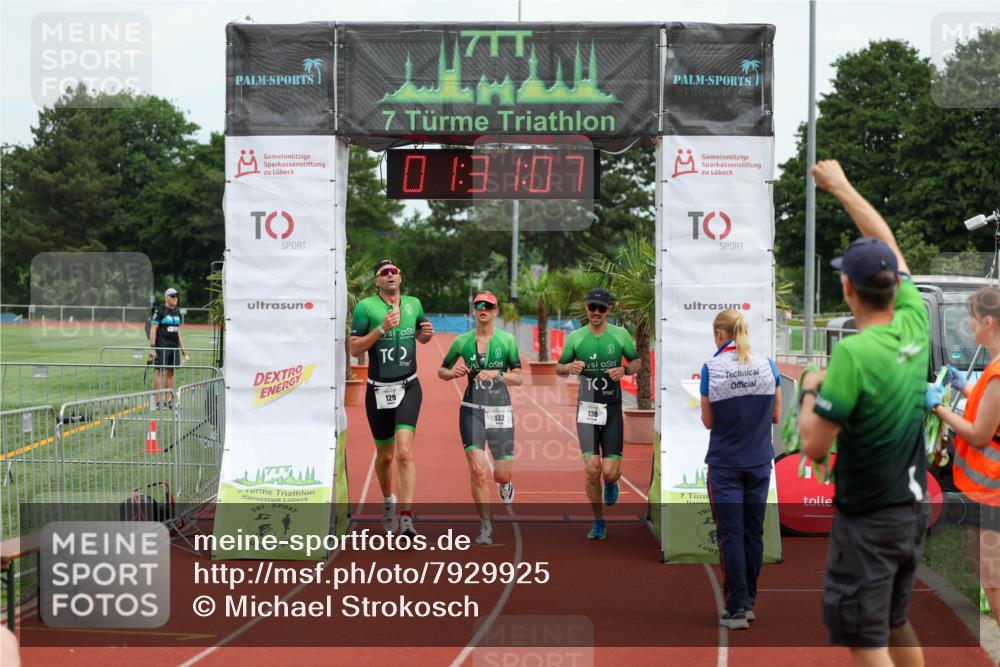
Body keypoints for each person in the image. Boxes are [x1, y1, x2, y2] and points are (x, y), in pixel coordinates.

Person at [798, 159, 929, 666]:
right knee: (895, 622)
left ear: (848, 288)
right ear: (894, 284)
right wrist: (843, 186)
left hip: (869, 517)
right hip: (910, 510)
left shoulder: (853, 353)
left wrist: (809, 390)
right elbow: (888, 243)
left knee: (866, 640)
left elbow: (814, 446)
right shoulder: (914, 321)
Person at [699, 309, 781, 630]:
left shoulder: (712, 368)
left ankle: (736, 606)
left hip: (725, 464)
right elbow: (776, 416)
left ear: (720, 334)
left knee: (730, 534)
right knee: (752, 532)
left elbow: (708, 421)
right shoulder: (768, 365)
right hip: (759, 461)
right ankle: (748, 602)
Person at [927, 288, 1000, 624]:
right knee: (977, 559)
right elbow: (988, 407)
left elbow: (979, 433)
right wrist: (963, 386)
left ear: (988, 322)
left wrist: (939, 408)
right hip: (985, 488)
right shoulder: (994, 367)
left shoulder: (997, 371)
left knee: (992, 575)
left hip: (994, 488)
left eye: (971, 319)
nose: (968, 325)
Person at [349, 259, 435, 538]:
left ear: (400, 277)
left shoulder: (414, 304)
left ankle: (406, 519)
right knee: (385, 457)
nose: (390, 276)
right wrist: (381, 329)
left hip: (409, 386)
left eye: (394, 272)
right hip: (378, 391)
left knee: (404, 453)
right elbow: (354, 348)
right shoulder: (366, 308)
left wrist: (426, 335)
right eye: (384, 273)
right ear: (377, 281)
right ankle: (388, 500)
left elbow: (421, 336)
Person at [439, 291, 524, 545]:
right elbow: (441, 371)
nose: (483, 309)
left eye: (488, 306)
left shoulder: (507, 340)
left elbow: (518, 378)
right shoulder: (461, 341)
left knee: (501, 475)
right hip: (472, 409)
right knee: (477, 470)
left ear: (496, 311)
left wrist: (498, 374)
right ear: (474, 310)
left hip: (500, 411)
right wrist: (452, 373)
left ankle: (504, 485)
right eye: (479, 305)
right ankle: (485, 525)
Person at [556, 288, 640, 540]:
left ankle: (613, 482)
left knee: (609, 472)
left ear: (608, 310)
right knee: (592, 469)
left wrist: (624, 371)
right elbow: (559, 368)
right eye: (592, 307)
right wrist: (570, 367)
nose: (596, 312)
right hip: (587, 411)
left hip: (612, 409)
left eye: (601, 308)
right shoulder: (576, 338)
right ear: (586, 308)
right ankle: (598, 520)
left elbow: (636, 362)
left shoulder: (620, 335)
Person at [148, 288, 188, 409]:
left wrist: (182, 347)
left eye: (176, 296)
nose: (175, 298)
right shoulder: (160, 310)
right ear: (166, 297)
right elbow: (153, 329)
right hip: (162, 345)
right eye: (173, 296)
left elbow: (178, 331)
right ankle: (157, 402)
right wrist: (152, 348)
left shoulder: (177, 310)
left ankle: (169, 400)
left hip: (174, 347)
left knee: (171, 373)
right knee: (160, 372)